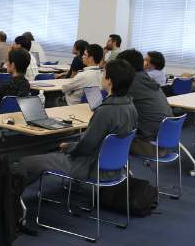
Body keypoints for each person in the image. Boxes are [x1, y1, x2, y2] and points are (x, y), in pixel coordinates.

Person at [14, 59, 138, 189]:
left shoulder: (105, 110)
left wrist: (69, 147)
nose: (102, 77)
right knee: (41, 161)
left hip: (88, 166)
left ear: (110, 82)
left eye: (104, 74)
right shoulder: (131, 107)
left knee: (25, 162)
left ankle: (10, 201)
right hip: (113, 169)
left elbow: (86, 146)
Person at [117, 49, 174, 157]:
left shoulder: (131, 83)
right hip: (167, 144)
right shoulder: (149, 81)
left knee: (106, 140)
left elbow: (114, 111)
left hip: (150, 146)